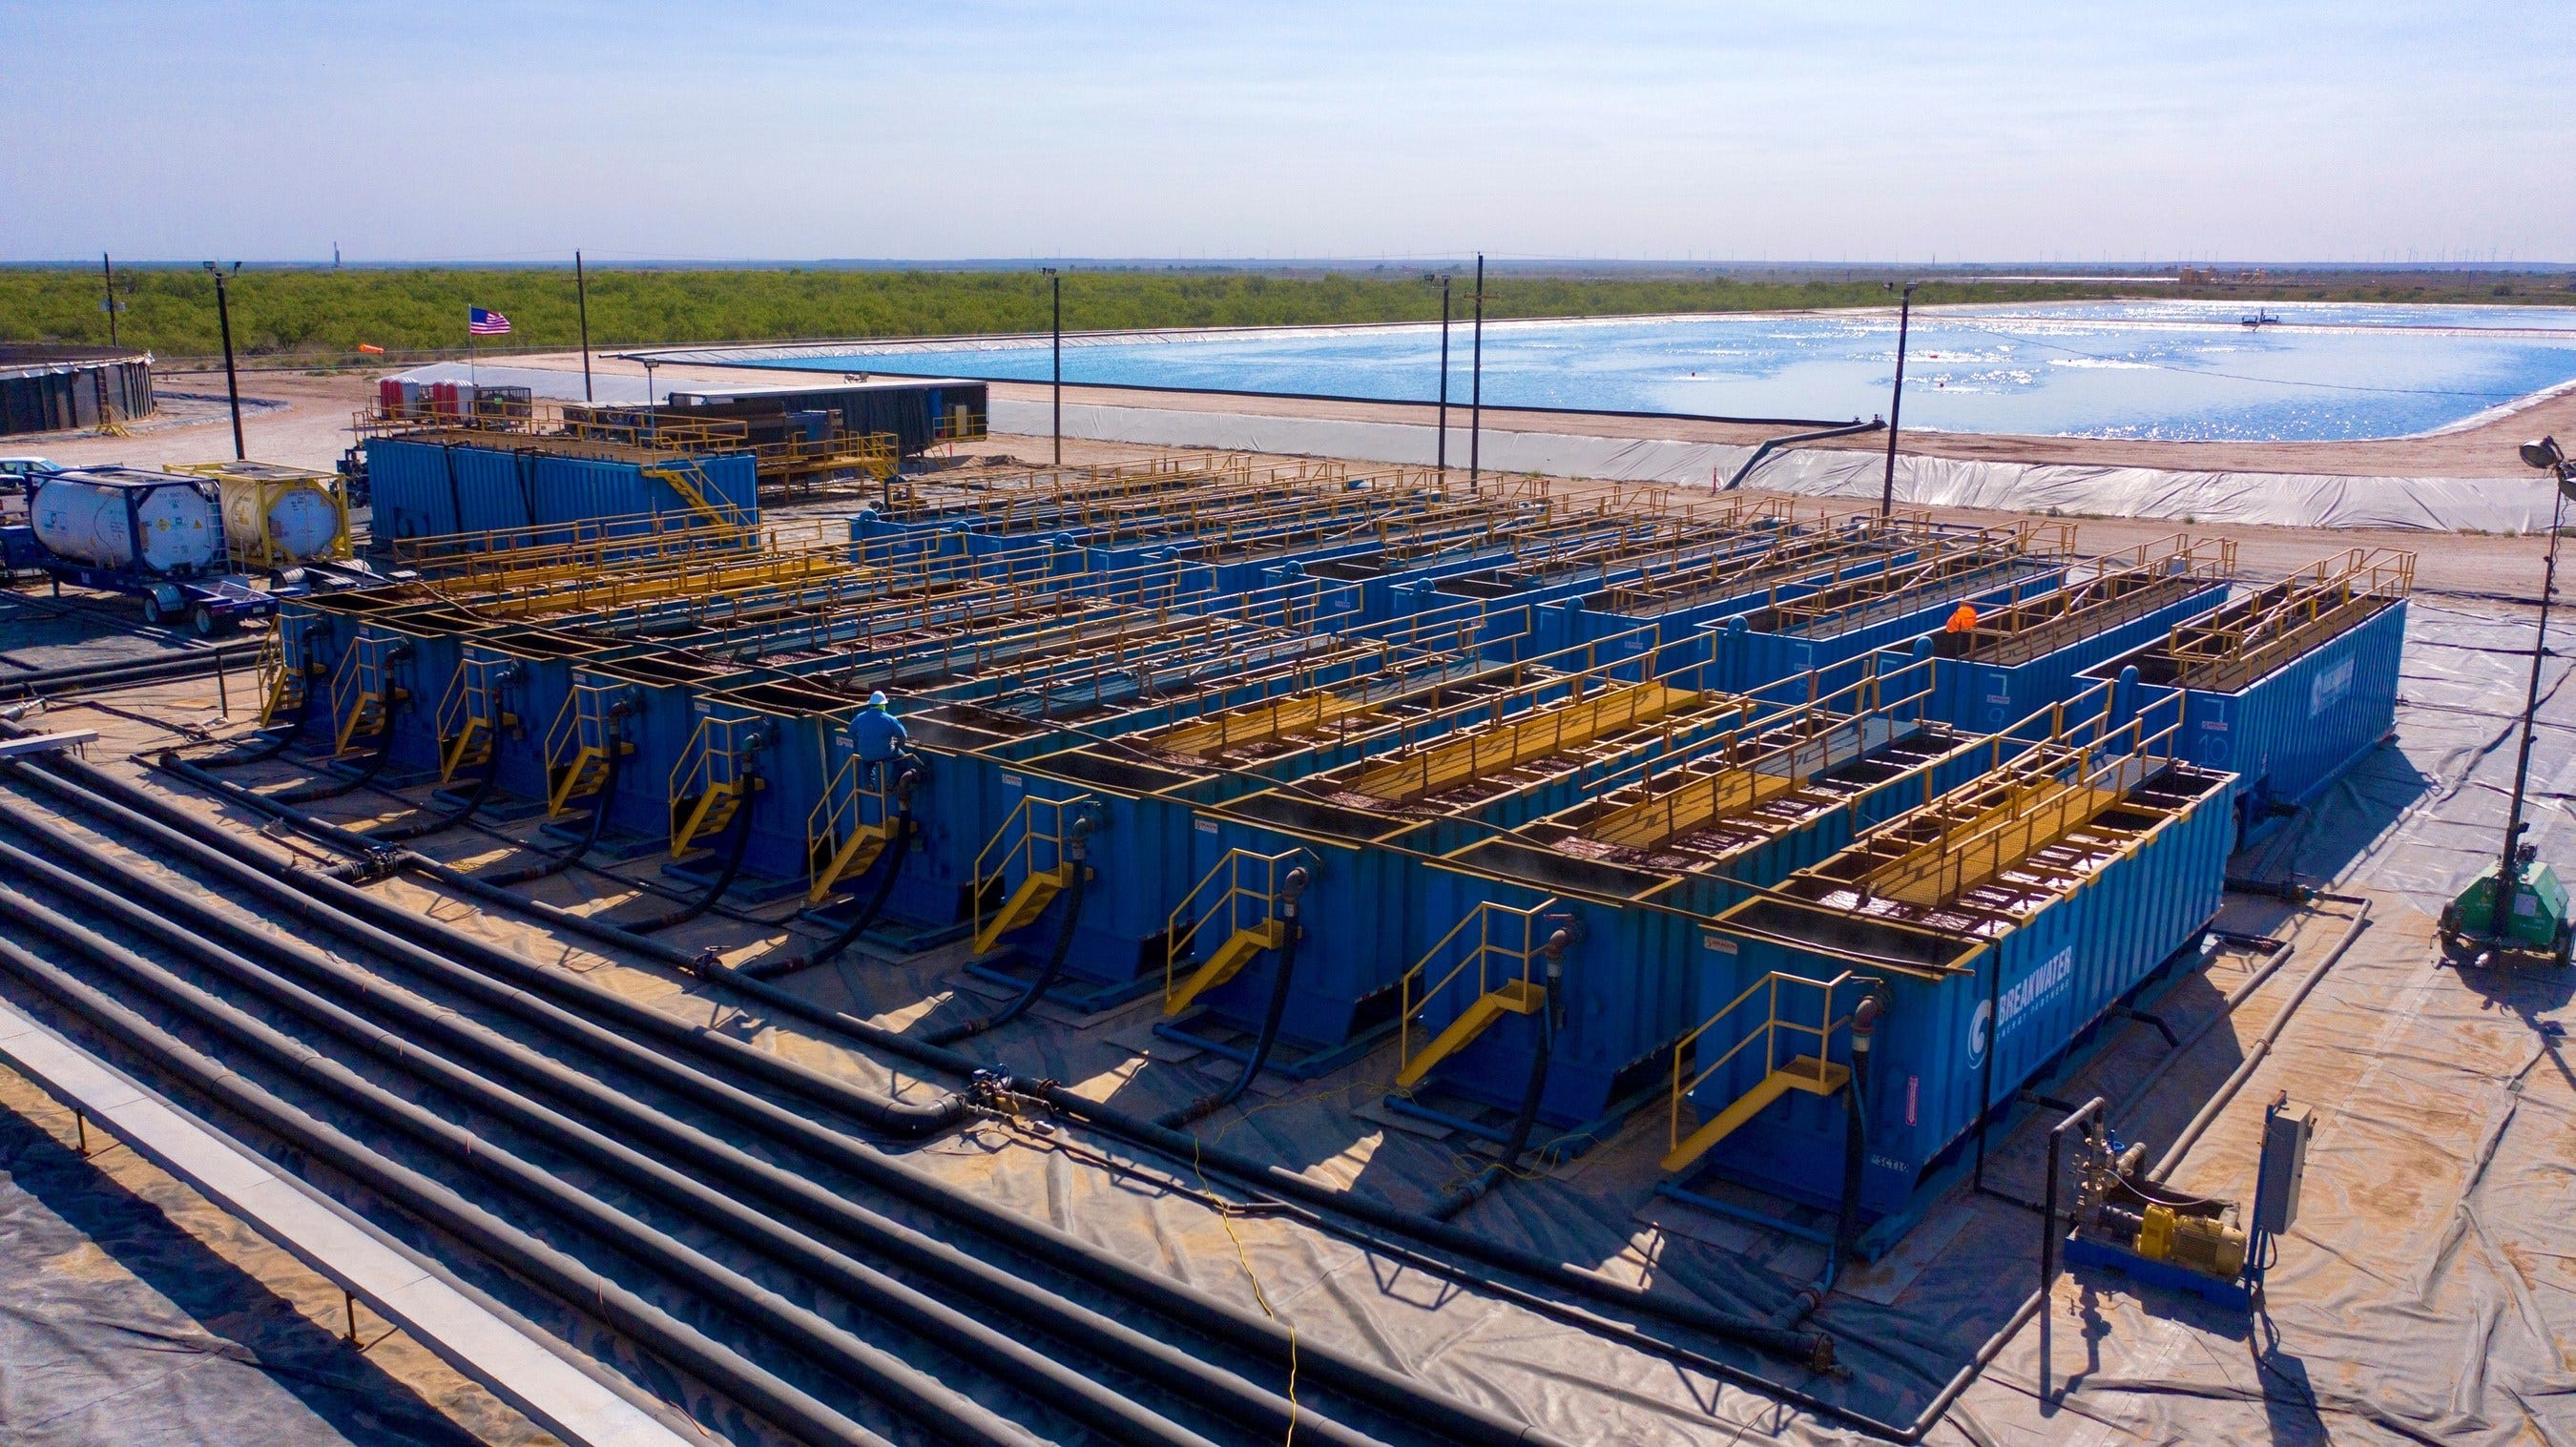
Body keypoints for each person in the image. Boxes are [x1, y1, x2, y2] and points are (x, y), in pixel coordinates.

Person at [852, 691, 911, 787]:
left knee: (867, 761)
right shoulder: (890, 719)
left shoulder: (860, 717)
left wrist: (861, 741)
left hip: (865, 752)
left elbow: (851, 731)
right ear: (883, 705)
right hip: (885, 752)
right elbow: (903, 735)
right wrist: (899, 744)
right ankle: (891, 783)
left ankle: (868, 783)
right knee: (902, 758)